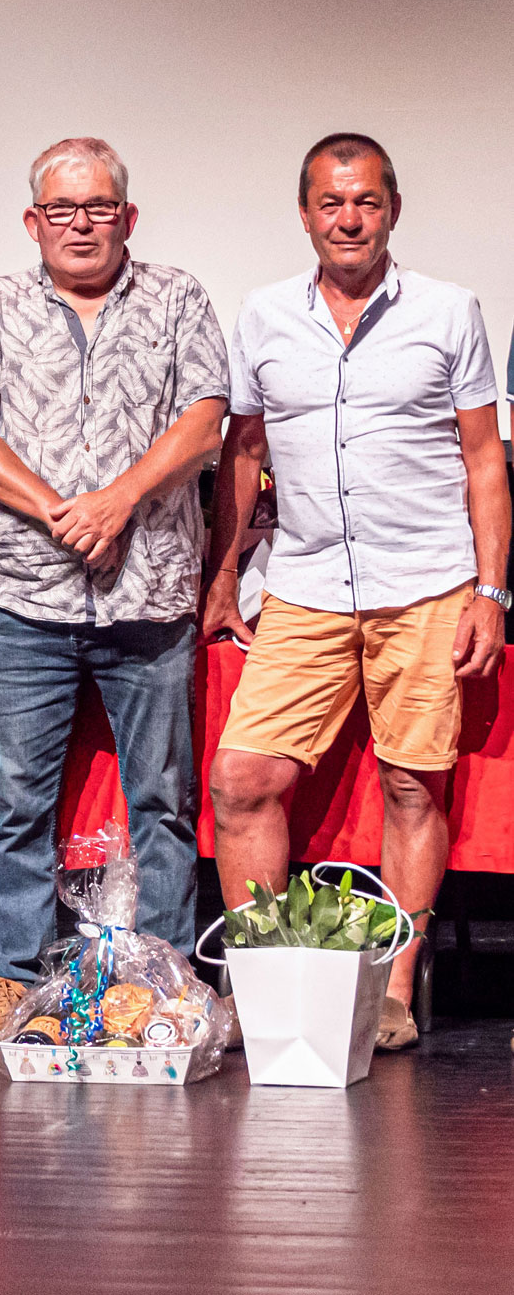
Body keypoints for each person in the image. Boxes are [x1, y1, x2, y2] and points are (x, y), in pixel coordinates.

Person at [204, 133, 509, 1052]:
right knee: (241, 780)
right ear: (304, 214)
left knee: (412, 787)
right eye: (330, 203)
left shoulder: (449, 311)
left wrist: (491, 590)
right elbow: (244, 451)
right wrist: (221, 578)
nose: (347, 218)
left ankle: (391, 991)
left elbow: (482, 457)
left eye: (365, 202)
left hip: (425, 583)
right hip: (302, 584)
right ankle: (264, 980)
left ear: (391, 210)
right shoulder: (262, 316)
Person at [0, 137, 230, 1044]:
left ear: (126, 218)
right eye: (60, 210)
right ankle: (10, 979)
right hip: (23, 595)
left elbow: (204, 421)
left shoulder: (177, 296)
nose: (80, 224)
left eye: (97, 207)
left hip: (147, 595)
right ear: (32, 222)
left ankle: (167, 983)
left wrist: (120, 500)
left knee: (162, 802)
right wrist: (60, 510)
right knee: (20, 800)